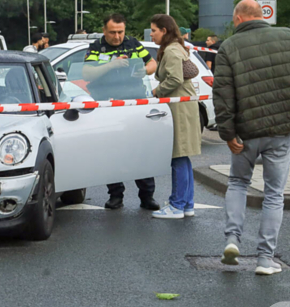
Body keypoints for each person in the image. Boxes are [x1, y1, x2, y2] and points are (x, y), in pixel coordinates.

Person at [214, 0, 290, 276]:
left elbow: (223, 94)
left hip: (245, 132)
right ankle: (264, 259)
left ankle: (232, 240)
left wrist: (228, 132)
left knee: (238, 183)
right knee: (274, 194)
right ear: (262, 17)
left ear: (238, 18)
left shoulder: (229, 47)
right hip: (280, 132)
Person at [81, 13, 159, 210]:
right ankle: (115, 194)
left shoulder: (133, 43)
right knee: (111, 150)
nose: (117, 37)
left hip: (134, 103)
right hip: (107, 105)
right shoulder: (96, 47)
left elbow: (152, 63)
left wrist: (146, 70)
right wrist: (111, 65)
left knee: (140, 149)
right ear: (104, 31)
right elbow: (86, 73)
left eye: (120, 32)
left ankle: (147, 196)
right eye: (112, 32)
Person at [147, 14, 201, 219]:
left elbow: (176, 79)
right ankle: (186, 204)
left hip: (179, 107)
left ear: (164, 30)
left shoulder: (170, 50)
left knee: (177, 156)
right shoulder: (177, 47)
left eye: (154, 30)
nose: (151, 34)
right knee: (183, 156)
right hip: (183, 105)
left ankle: (177, 205)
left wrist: (156, 91)